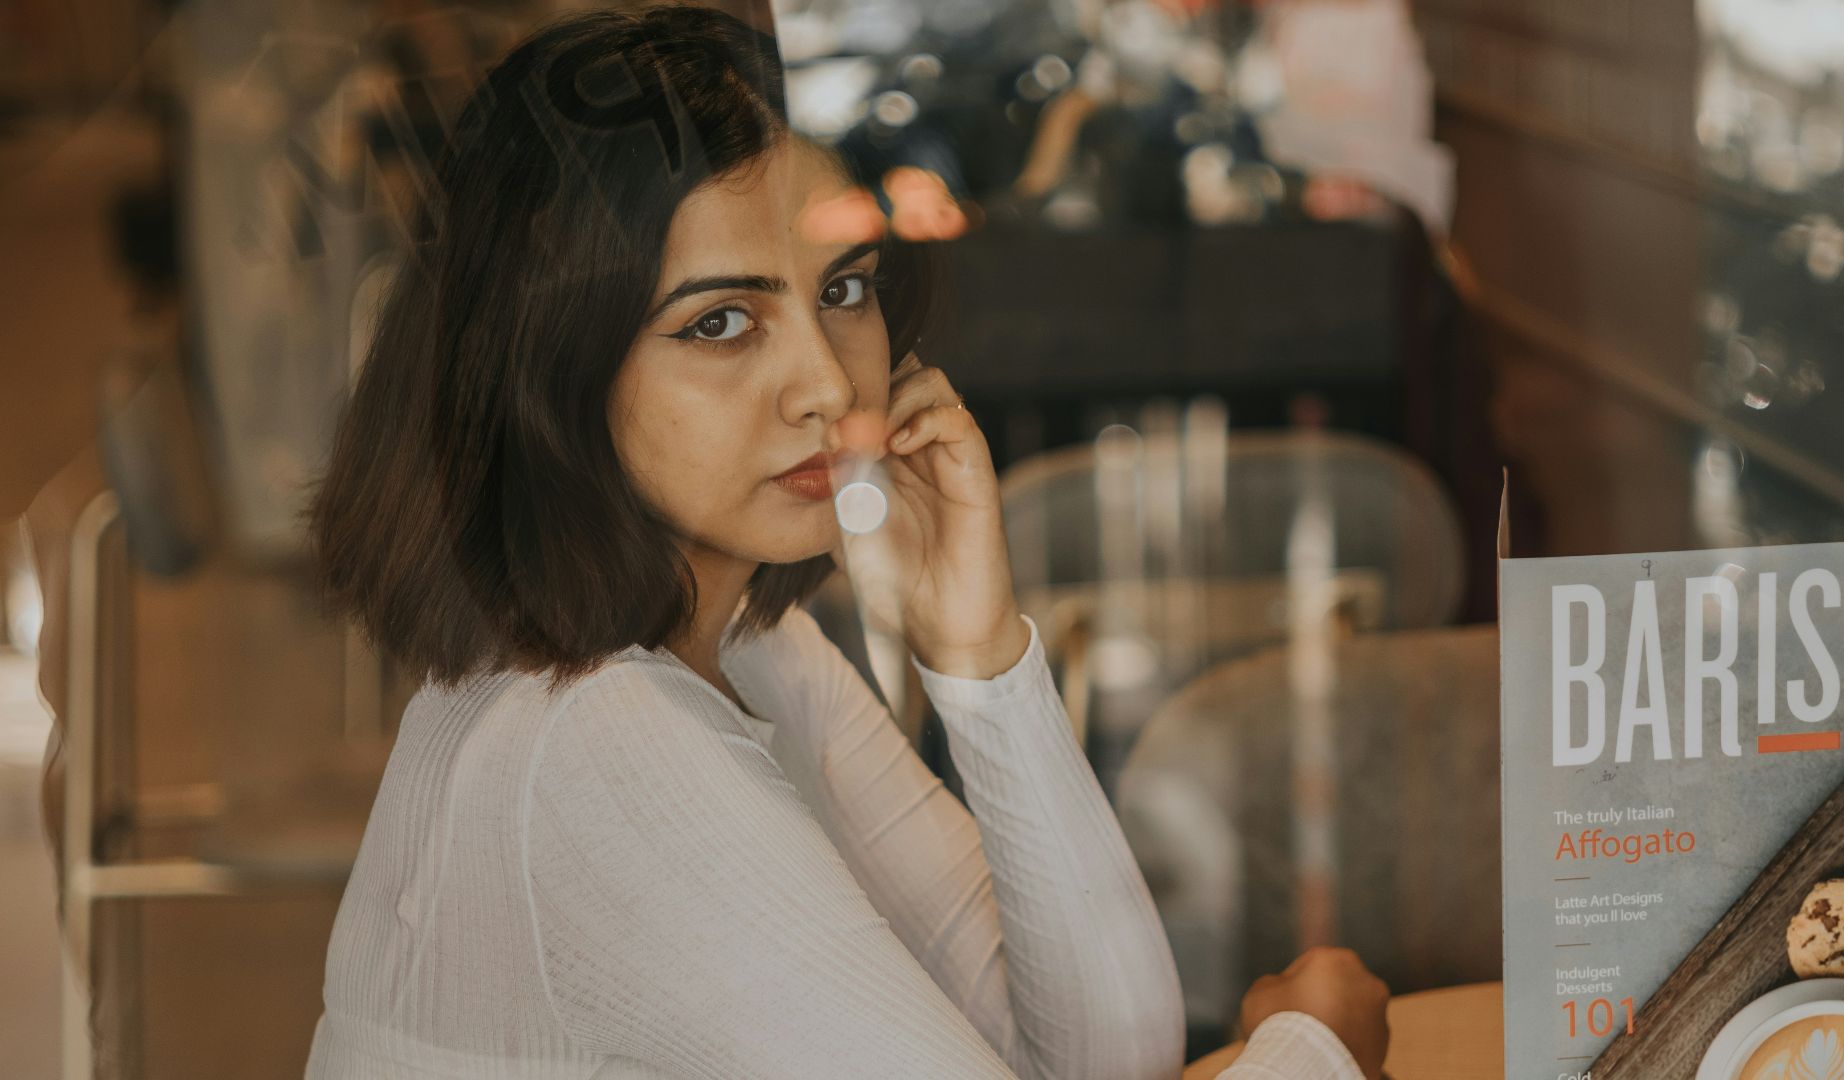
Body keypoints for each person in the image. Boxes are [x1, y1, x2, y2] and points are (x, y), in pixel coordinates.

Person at [299, 6, 1389, 1078]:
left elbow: (1110, 1052)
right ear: (554, 368)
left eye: (846, 290)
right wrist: (1318, 1050)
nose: (828, 385)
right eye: (720, 323)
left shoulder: (747, 647)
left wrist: (978, 655)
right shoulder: (590, 741)